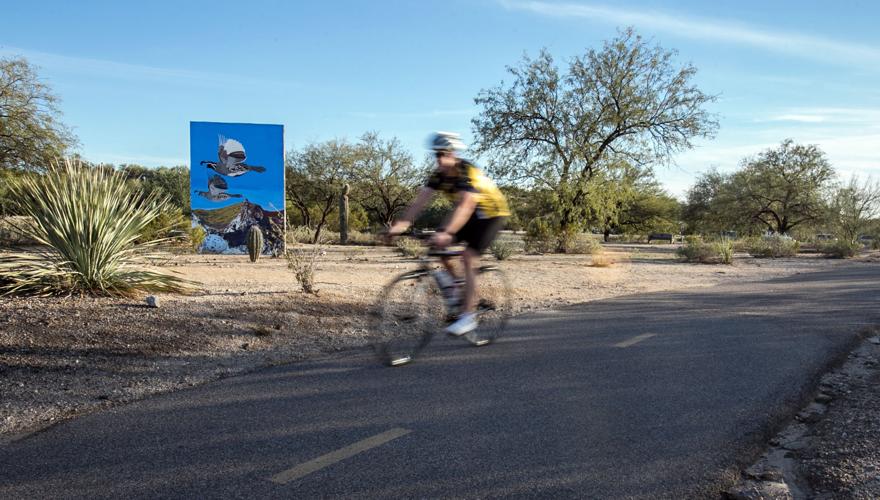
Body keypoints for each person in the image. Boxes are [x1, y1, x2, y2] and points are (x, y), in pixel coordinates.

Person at [387, 132, 510, 336]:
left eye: (444, 154)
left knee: (468, 257)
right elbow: (419, 203)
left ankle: (468, 317)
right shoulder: (438, 176)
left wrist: (447, 232)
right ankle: (460, 292)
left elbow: (466, 204)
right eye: (436, 155)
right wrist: (399, 226)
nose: (440, 159)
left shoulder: (466, 171)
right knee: (438, 247)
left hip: (492, 214)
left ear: (453, 153)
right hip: (470, 214)